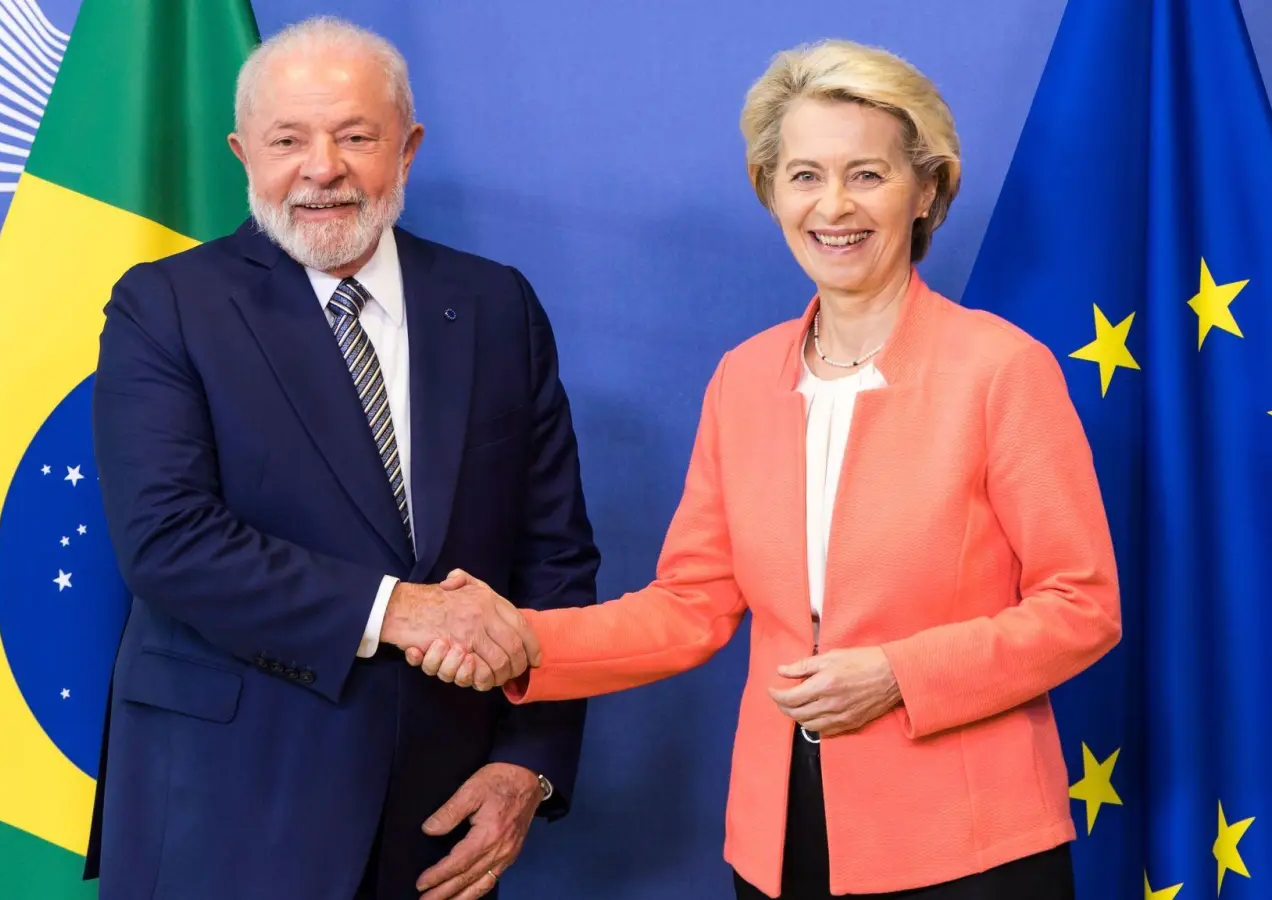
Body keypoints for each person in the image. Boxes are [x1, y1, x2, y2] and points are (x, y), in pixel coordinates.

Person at [411, 39, 1122, 899]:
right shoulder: (744, 379)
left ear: (926, 189)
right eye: (805, 175)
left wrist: (901, 674)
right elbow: (691, 607)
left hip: (970, 845)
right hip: (782, 838)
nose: (834, 206)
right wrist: (524, 638)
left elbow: (1083, 605)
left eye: (867, 174)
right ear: (770, 191)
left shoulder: (1003, 369)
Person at [84, 16, 599, 900]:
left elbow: (553, 557)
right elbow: (167, 540)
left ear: (407, 148)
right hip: (226, 807)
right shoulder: (165, 306)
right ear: (245, 153)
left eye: (355, 136)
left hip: (437, 823)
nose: (322, 168)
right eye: (289, 140)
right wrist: (399, 612)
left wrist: (530, 765)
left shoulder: (495, 305)